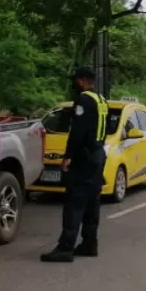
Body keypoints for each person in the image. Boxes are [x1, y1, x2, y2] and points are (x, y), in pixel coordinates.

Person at [40, 67, 109, 263]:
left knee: (75, 202)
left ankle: (65, 248)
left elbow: (78, 130)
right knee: (91, 202)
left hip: (84, 157)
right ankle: (89, 243)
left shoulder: (83, 100)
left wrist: (68, 156)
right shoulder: (101, 99)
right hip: (98, 154)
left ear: (80, 81)